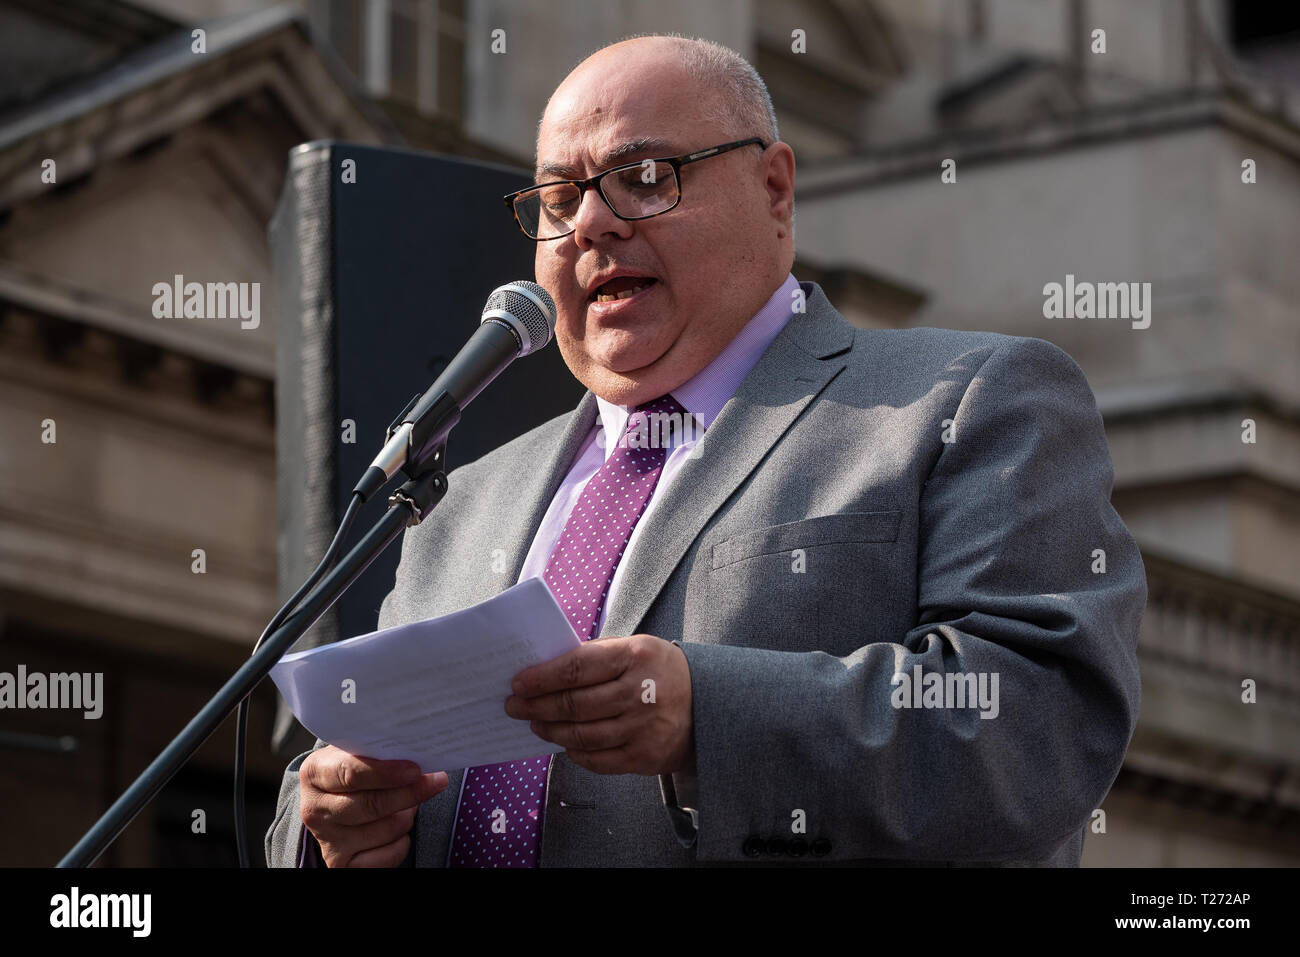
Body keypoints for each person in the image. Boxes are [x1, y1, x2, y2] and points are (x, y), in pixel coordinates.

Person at [265, 34, 1144, 868]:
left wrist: (709, 715)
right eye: (560, 201)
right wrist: (329, 827)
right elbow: (321, 792)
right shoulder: (457, 503)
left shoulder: (967, 399)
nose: (593, 225)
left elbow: (1041, 723)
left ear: (774, 188)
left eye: (645, 177)